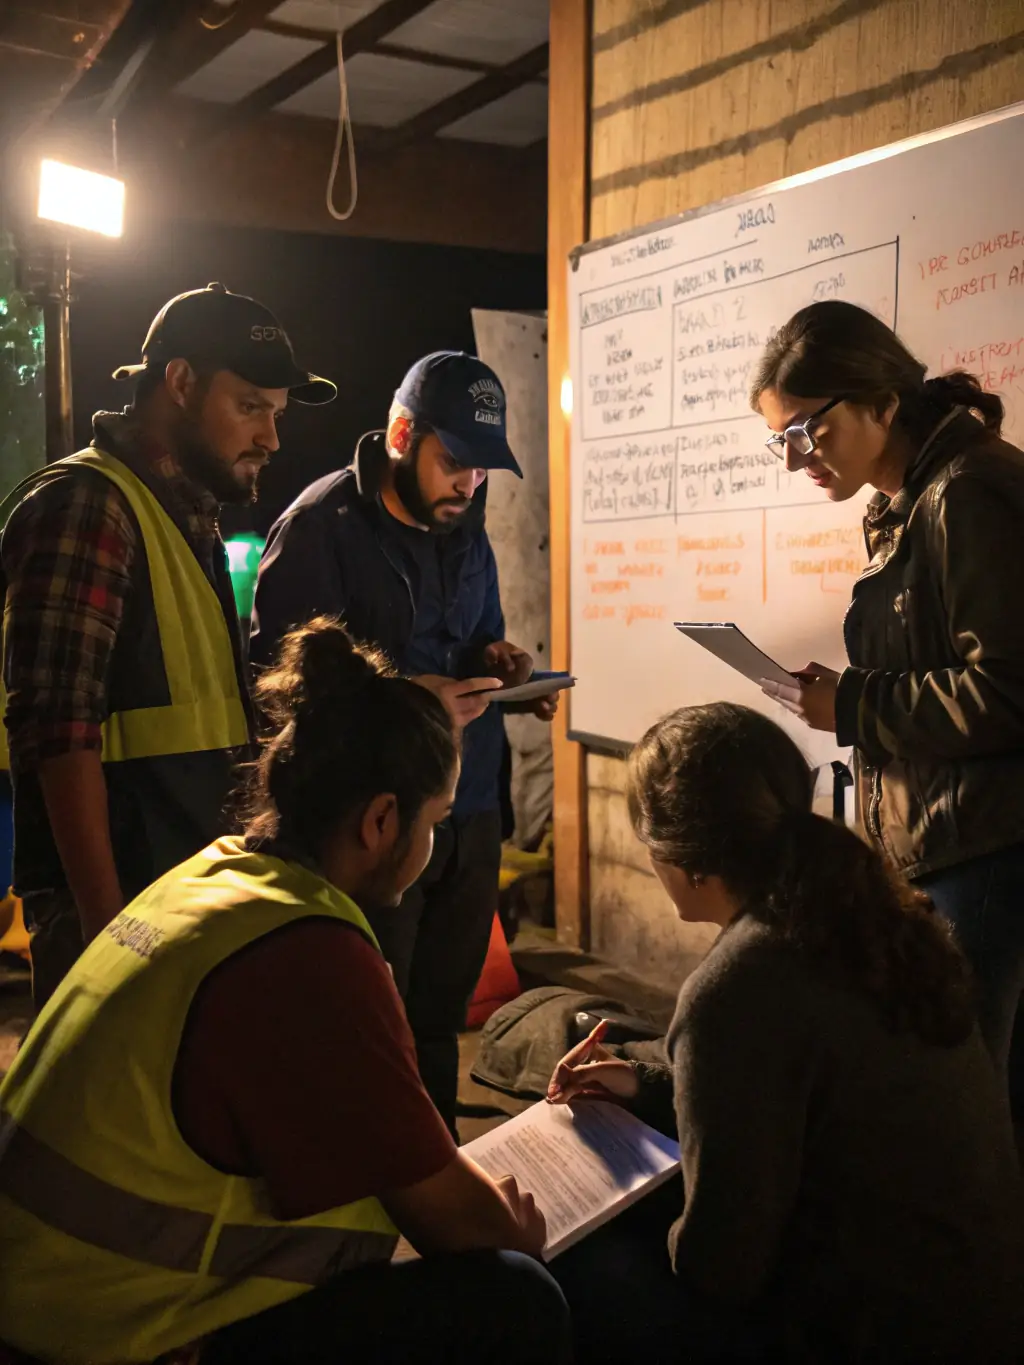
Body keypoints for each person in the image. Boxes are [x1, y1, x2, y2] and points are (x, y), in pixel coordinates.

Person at [0, 618, 571, 1365]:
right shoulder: (308, 954)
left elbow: (388, 1139)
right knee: (515, 1297)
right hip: (107, 1339)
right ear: (380, 820)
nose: (432, 845)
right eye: (434, 820)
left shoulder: (216, 877)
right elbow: (464, 1226)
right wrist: (512, 1233)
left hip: (42, 1298)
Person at [545, 702, 1024, 1364]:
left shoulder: (738, 983)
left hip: (872, 1334)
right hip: (975, 1308)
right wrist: (645, 1081)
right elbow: (809, 1092)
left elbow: (721, 1268)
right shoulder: (872, 916)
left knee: (568, 1266)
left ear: (680, 857)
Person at [0, 281, 336, 1012]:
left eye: (276, 413)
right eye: (250, 406)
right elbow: (56, 733)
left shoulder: (188, 513)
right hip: (123, 914)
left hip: (182, 897)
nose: (271, 438)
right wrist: (108, 935)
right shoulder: (89, 503)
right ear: (180, 383)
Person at [250, 351, 558, 1133]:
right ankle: (368, 1185)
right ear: (400, 433)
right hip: (373, 819)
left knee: (438, 1017)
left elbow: (476, 634)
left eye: (484, 471)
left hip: (469, 803)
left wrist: (500, 661)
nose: (469, 485)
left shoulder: (467, 530)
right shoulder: (321, 529)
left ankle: (436, 1159)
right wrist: (402, 700)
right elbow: (277, 685)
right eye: (455, 462)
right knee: (365, 1017)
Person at [751, 300, 1024, 1135]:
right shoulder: (910, 497)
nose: (796, 458)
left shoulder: (970, 493)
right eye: (781, 439)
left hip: (986, 854)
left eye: (808, 430)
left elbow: (1008, 692)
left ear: (880, 401)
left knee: (967, 1113)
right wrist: (852, 695)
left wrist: (857, 703)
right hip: (948, 847)